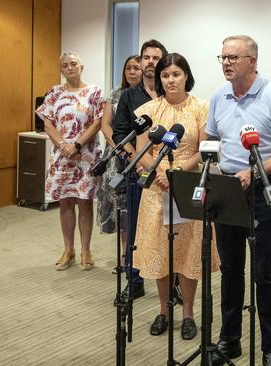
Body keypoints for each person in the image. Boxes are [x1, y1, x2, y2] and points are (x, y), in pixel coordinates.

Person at [206, 35, 271, 366]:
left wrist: (253, 173)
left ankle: (269, 348)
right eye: (223, 58)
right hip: (228, 189)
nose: (227, 63)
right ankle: (230, 340)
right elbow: (211, 139)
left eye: (233, 57)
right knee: (230, 269)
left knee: (264, 272)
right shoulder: (219, 96)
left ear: (252, 62)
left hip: (263, 189)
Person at [131, 52, 220, 339]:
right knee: (161, 251)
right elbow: (142, 151)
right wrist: (159, 172)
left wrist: (179, 170)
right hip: (158, 188)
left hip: (189, 184)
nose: (170, 80)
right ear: (160, 79)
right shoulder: (148, 110)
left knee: (188, 251)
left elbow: (204, 148)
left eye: (176, 74)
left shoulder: (201, 108)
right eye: (165, 75)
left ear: (186, 77)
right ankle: (163, 311)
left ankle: (189, 313)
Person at [112, 39, 169, 303]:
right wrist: (139, 160)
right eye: (146, 57)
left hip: (170, 176)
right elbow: (120, 133)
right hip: (140, 174)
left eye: (155, 58)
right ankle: (134, 281)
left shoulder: (172, 93)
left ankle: (173, 284)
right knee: (134, 227)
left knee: (170, 229)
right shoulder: (129, 96)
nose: (150, 62)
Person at [37, 52, 102, 271]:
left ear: (81, 67)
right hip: (61, 157)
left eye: (73, 64)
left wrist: (76, 145)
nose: (69, 68)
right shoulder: (54, 92)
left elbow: (97, 123)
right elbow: (47, 123)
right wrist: (64, 146)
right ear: (61, 69)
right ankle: (68, 249)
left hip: (85, 156)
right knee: (65, 202)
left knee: (84, 202)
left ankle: (85, 250)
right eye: (65, 65)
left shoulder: (94, 91)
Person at [96, 54, 141, 270]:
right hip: (116, 155)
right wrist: (117, 145)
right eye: (128, 68)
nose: (132, 72)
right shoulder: (115, 92)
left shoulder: (147, 95)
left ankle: (140, 256)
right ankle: (125, 256)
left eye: (136, 68)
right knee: (122, 209)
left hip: (139, 155)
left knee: (138, 209)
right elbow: (106, 124)